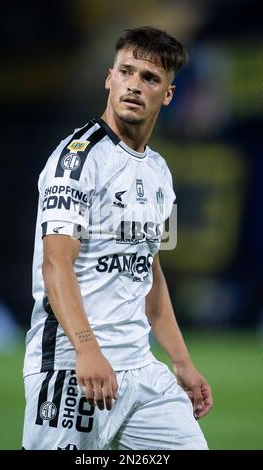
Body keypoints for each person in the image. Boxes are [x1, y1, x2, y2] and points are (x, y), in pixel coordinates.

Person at [22, 26, 213, 450]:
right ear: (110, 77)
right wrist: (88, 350)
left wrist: (182, 363)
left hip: (141, 372)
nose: (134, 85)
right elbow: (55, 264)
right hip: (72, 367)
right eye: (126, 71)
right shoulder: (77, 159)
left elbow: (150, 274)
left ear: (168, 94)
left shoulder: (161, 173)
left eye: (150, 78)